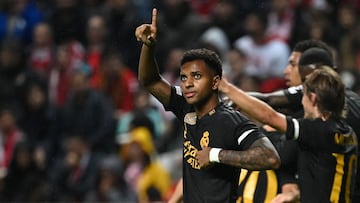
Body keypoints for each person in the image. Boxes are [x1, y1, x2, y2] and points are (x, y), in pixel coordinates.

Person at [135, 8, 280, 203]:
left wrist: (215, 154)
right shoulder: (185, 105)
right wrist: (148, 46)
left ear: (215, 82)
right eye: (184, 77)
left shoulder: (230, 120)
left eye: (196, 76)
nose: (187, 83)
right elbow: (150, 81)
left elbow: (270, 157)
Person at [219, 66, 358, 202]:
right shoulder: (348, 133)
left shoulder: (316, 130)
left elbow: (269, 117)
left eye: (303, 96)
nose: (301, 102)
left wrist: (227, 88)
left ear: (313, 99)